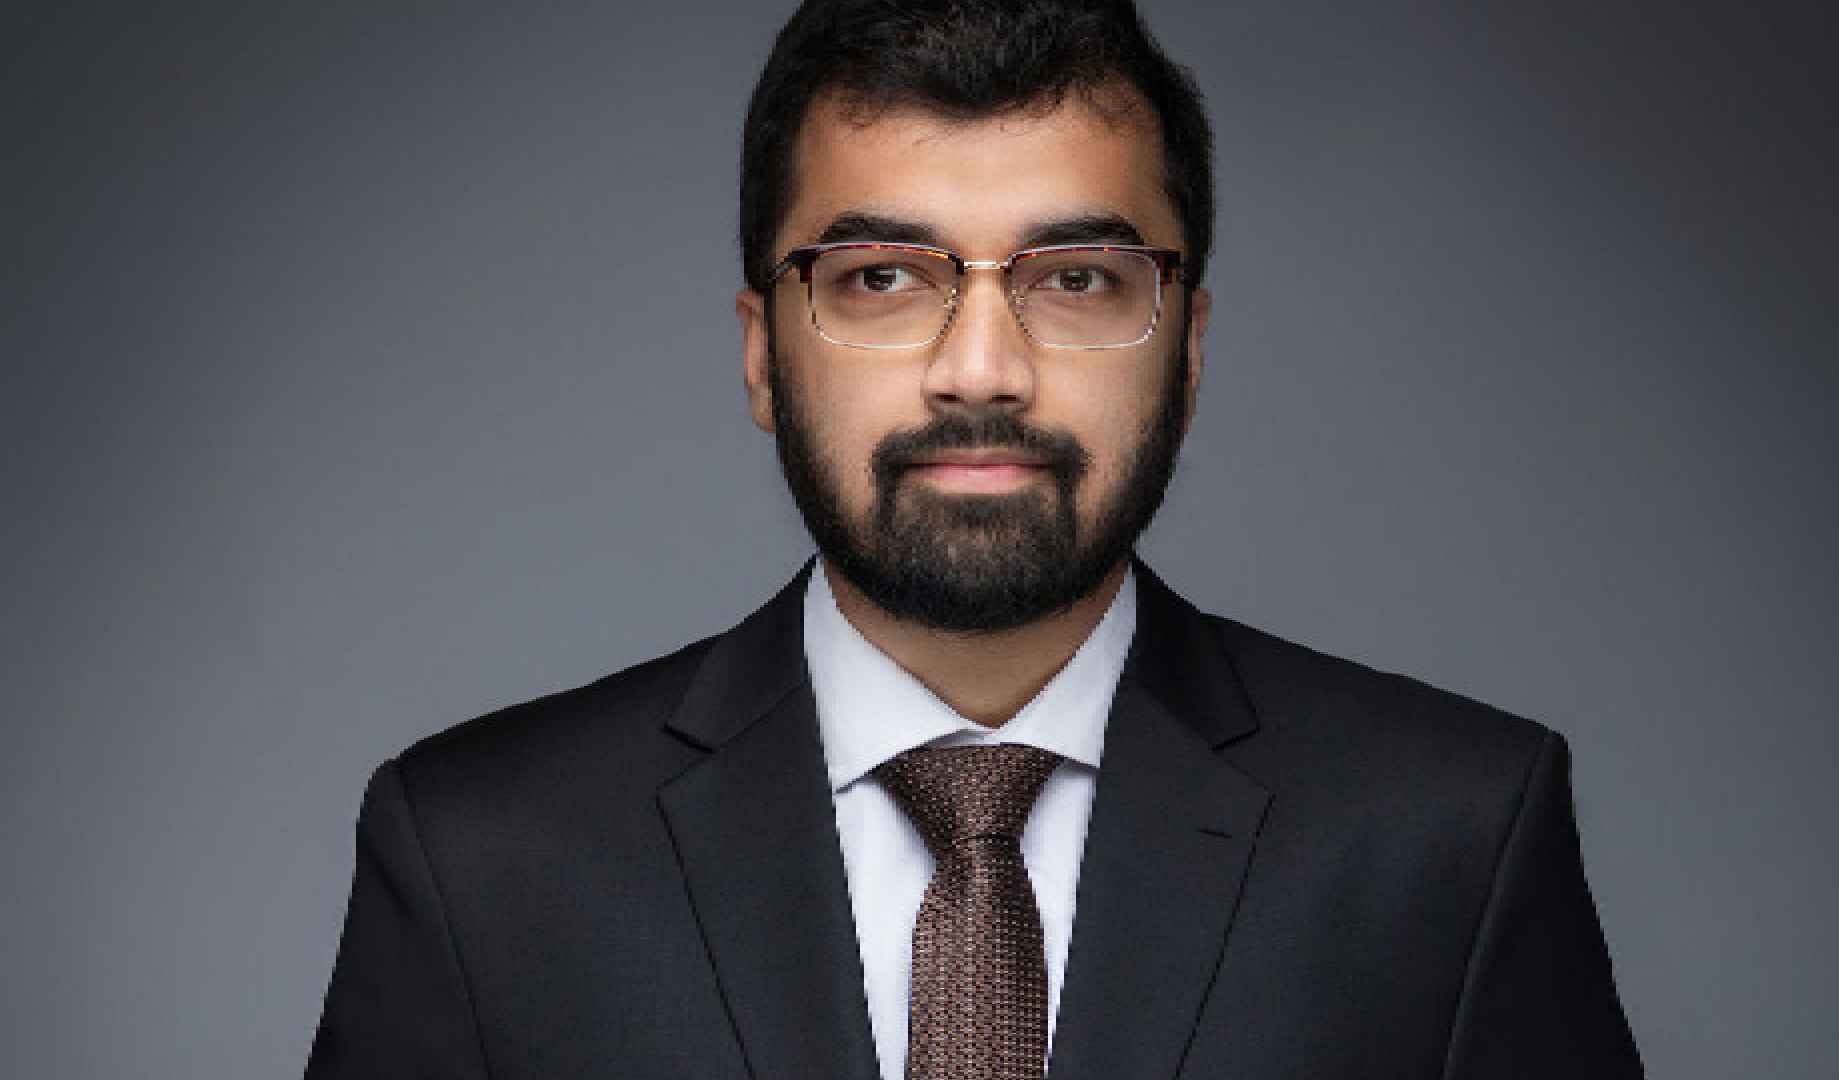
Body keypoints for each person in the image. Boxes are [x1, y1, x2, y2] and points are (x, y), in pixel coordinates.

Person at [304, 1, 1642, 1076]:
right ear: (762, 350)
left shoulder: (1451, 843)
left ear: (1188, 354)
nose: (983, 370)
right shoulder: (482, 860)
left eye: (1078, 280)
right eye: (881, 278)